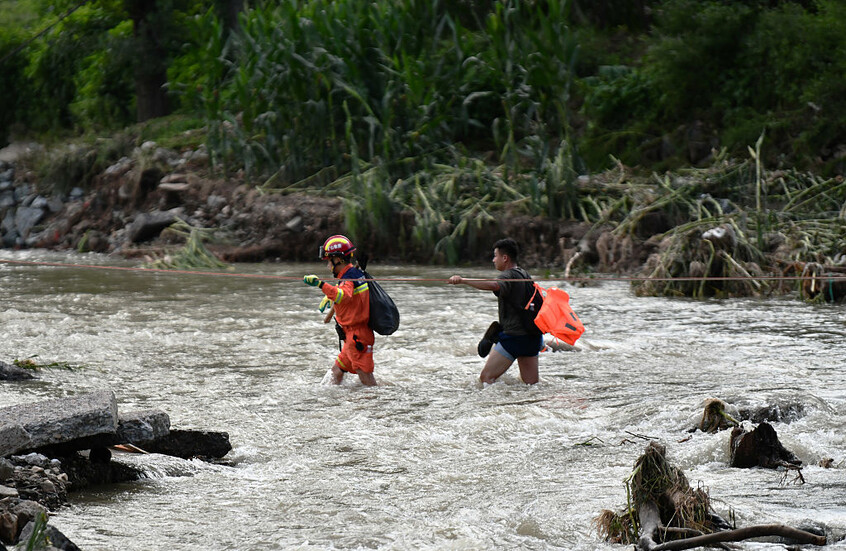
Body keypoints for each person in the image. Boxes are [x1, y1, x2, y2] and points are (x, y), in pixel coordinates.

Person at [448, 238, 542, 385]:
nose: (493, 260)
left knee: (486, 379)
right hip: (533, 338)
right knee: (531, 386)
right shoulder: (525, 275)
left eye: (495, 256)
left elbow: (494, 285)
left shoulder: (508, 275)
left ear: (505, 258)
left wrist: (463, 280)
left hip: (514, 338)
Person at [304, 235, 377, 386]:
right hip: (352, 336)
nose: (328, 266)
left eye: (329, 261)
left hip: (357, 337)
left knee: (368, 382)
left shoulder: (350, 277)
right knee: (336, 373)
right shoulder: (353, 275)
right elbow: (347, 295)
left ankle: (379, 404)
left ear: (339, 259)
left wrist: (320, 284)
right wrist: (330, 298)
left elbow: (344, 295)